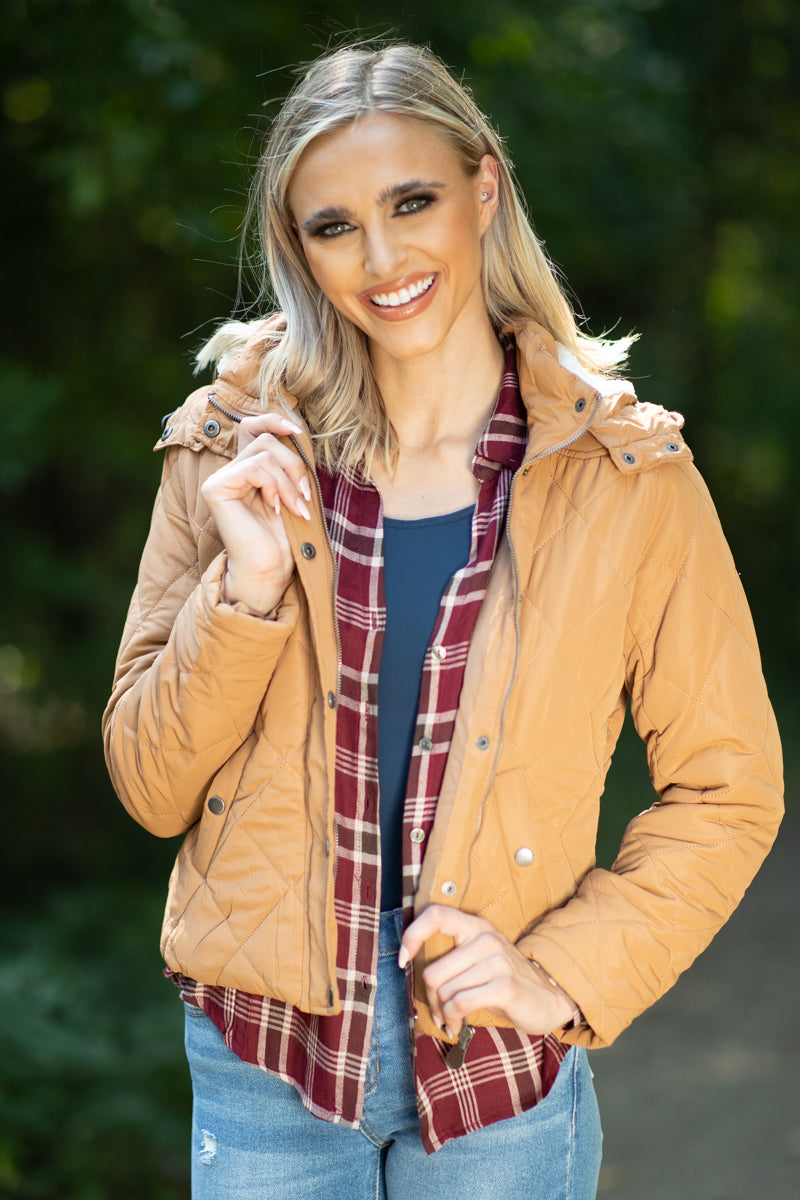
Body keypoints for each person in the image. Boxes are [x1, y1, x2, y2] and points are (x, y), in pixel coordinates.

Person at [102, 41, 783, 1200]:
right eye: (332, 226)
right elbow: (149, 784)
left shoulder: (624, 477)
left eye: (409, 201)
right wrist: (245, 593)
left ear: (484, 189)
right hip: (268, 1060)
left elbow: (728, 787)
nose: (379, 258)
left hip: (495, 1069)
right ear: (297, 250)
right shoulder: (232, 448)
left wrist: (557, 976)